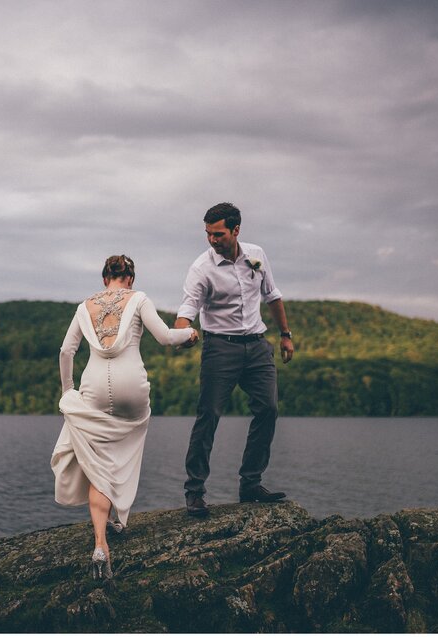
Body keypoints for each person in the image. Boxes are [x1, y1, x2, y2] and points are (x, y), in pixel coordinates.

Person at [52, 255, 198, 579]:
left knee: (97, 465)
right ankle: (119, 515)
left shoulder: (84, 306)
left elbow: (66, 352)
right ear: (130, 278)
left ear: (105, 278)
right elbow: (164, 337)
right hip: (132, 387)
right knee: (127, 443)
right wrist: (190, 335)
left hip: (93, 388)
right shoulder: (139, 299)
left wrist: (67, 391)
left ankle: (101, 543)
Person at [175, 202, 294, 517]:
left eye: (218, 233)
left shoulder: (256, 255)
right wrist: (182, 334)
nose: (212, 240)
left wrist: (285, 335)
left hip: (256, 346)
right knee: (209, 415)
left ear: (236, 230)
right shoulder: (202, 268)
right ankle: (195, 493)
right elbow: (187, 310)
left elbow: (273, 295)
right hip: (220, 349)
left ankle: (251, 484)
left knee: (268, 409)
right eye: (208, 234)